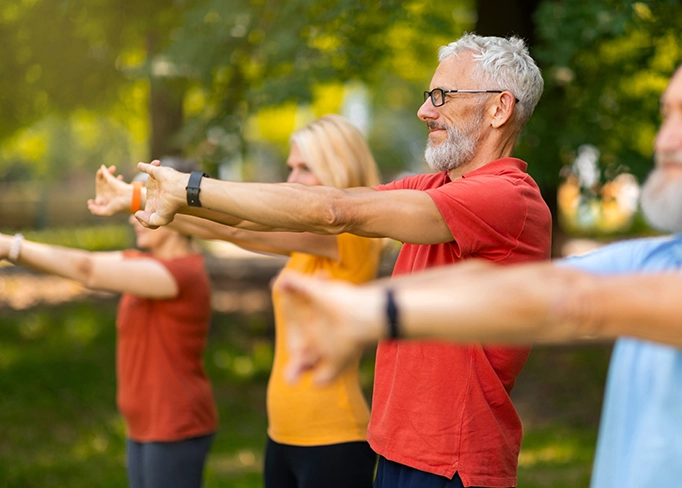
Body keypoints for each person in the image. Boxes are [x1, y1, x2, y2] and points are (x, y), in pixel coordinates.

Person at [275, 20, 682, 488]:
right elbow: (539, 285)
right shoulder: (666, 258)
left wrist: (373, 312)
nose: (664, 140)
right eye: (667, 115)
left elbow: (570, 303)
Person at [132, 34, 551, 487]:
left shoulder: (508, 197)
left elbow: (334, 211)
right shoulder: (433, 187)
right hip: (396, 450)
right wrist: (163, 196)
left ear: (498, 108)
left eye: (441, 96)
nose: (424, 111)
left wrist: (191, 188)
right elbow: (299, 210)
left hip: (452, 463)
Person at [89, 115, 383, 488]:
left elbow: (236, 228)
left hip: (334, 437)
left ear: (338, 167)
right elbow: (227, 228)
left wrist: (152, 196)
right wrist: (136, 199)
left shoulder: (346, 237)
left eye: (306, 168)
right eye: (291, 167)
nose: (293, 179)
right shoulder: (306, 250)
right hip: (283, 434)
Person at [0, 161, 217, 488]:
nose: (134, 217)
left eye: (146, 201)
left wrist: (9, 246)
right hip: (143, 424)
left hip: (176, 425)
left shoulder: (183, 273)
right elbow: (83, 260)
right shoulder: (143, 263)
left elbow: (87, 270)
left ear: (180, 208)